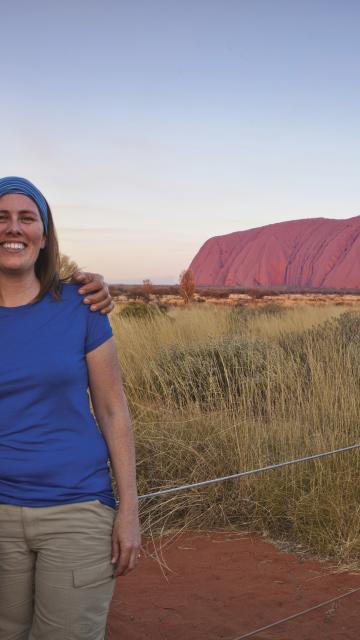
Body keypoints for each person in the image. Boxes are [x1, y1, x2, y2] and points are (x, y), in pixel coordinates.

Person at [0, 177, 141, 640]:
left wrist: (129, 509)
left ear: (44, 234)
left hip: (77, 509)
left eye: (26, 218)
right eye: (1, 217)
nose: (13, 228)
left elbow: (113, 409)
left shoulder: (81, 306)